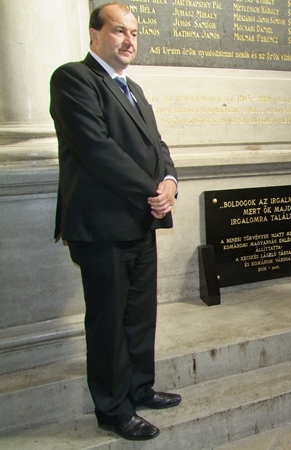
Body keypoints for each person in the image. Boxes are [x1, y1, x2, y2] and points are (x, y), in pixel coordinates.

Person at [50, 2, 181, 440]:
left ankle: (139, 389)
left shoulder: (134, 88)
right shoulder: (73, 79)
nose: (129, 40)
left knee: (139, 316)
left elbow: (157, 145)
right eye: (119, 30)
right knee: (108, 323)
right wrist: (152, 190)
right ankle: (112, 409)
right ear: (95, 35)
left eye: (134, 32)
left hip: (141, 221)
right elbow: (97, 150)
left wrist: (169, 182)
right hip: (101, 227)